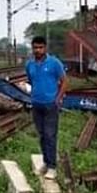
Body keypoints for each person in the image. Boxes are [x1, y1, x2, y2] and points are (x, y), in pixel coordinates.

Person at [24, 35, 67, 180]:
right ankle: (46, 163)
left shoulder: (54, 63)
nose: (38, 50)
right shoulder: (29, 65)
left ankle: (52, 167)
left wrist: (58, 98)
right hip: (36, 105)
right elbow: (30, 81)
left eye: (40, 47)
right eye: (35, 47)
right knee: (42, 136)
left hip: (51, 105)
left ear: (45, 48)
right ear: (32, 48)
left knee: (50, 136)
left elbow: (64, 81)